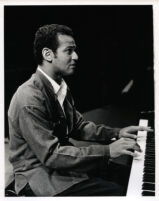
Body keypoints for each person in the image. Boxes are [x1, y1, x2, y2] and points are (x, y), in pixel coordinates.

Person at [7, 24, 152, 196]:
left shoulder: (59, 85)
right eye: (69, 51)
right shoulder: (29, 98)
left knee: (129, 178)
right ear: (48, 54)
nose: (76, 56)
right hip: (39, 176)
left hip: (62, 167)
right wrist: (108, 151)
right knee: (123, 193)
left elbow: (78, 126)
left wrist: (117, 133)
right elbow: (52, 155)